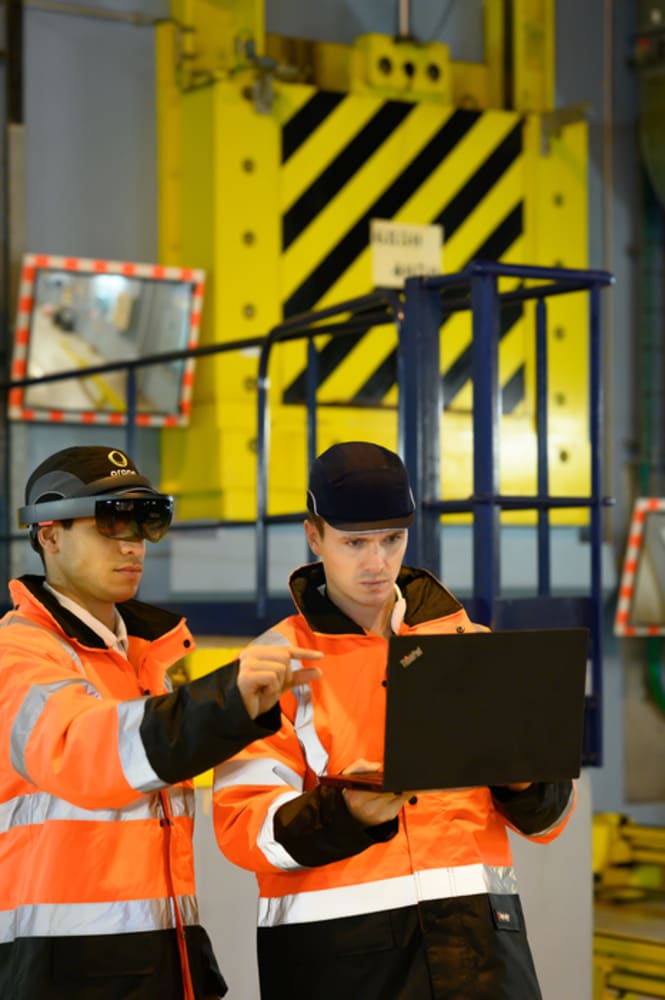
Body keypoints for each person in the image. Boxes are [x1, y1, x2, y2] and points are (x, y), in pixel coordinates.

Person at [212, 440, 576, 1000]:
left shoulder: (472, 649)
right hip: (342, 966)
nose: (377, 562)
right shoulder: (276, 665)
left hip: (481, 955)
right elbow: (242, 830)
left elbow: (551, 819)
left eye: (391, 539)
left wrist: (521, 777)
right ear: (315, 536)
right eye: (354, 542)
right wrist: (345, 811)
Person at [0, 444, 321, 1000]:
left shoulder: (146, 662)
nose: (131, 544)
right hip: (63, 973)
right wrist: (225, 700)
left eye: (146, 523)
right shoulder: (19, 655)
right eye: (108, 523)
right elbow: (84, 750)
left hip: (163, 962)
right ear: (48, 534)